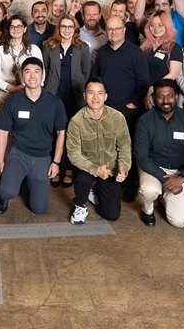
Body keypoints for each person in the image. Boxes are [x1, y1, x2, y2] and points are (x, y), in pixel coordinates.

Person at [0, 57, 67, 215]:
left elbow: (61, 133)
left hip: (42, 156)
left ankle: (27, 183)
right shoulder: (12, 102)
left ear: (43, 75)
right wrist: (1, 160)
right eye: (28, 72)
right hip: (19, 153)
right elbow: (3, 132)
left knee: (39, 209)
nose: (32, 76)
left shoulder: (55, 103)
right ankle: (4, 196)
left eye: (36, 72)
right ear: (22, 76)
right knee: (7, 191)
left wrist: (56, 162)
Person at [91, 14, 150, 202]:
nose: (114, 32)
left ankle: (130, 185)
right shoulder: (102, 52)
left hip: (128, 110)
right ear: (106, 31)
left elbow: (143, 81)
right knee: (107, 147)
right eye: (110, 29)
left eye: (117, 29)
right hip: (106, 109)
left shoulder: (135, 52)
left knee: (127, 148)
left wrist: (133, 102)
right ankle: (109, 182)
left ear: (124, 31)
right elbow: (97, 79)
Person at [134, 79, 184, 228]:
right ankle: (147, 210)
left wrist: (182, 178)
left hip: (180, 172)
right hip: (153, 169)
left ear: (177, 96)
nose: (165, 100)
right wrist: (165, 179)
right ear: (154, 98)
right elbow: (141, 156)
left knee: (179, 222)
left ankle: (163, 197)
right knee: (149, 190)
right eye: (160, 96)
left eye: (170, 96)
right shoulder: (145, 121)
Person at [66, 78, 131, 225]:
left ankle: (96, 190)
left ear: (106, 96)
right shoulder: (76, 121)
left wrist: (124, 168)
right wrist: (95, 169)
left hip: (110, 169)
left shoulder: (117, 117)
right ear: (84, 96)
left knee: (112, 215)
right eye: (91, 93)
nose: (95, 97)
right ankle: (81, 204)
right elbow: (73, 154)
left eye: (100, 93)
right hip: (88, 167)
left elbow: (125, 147)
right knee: (83, 178)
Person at [42, 14, 92, 187]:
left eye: (70, 27)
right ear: (58, 28)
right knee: (54, 133)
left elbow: (86, 72)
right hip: (54, 97)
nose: (66, 30)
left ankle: (69, 170)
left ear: (75, 29)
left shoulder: (83, 48)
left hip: (75, 98)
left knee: (72, 135)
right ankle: (54, 167)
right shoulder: (49, 46)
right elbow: (45, 70)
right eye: (63, 26)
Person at [0, 15, 41, 112]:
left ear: (25, 29)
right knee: (4, 125)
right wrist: (11, 88)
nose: (15, 29)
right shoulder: (0, 50)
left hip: (28, 91)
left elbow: (41, 74)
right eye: (12, 27)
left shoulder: (34, 49)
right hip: (5, 92)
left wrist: (27, 88)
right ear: (8, 29)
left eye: (19, 26)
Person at [139, 10, 183, 109]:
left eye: (160, 25)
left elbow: (174, 74)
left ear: (167, 27)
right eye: (152, 25)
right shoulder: (144, 47)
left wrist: (153, 88)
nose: (156, 28)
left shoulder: (174, 47)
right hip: (142, 93)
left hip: (163, 94)